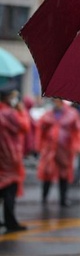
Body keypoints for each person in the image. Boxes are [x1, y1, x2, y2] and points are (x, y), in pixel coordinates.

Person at [36, 99, 80, 207]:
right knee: (47, 173)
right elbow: (41, 129)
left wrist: (77, 147)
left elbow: (78, 131)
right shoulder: (48, 114)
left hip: (65, 150)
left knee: (64, 175)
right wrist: (40, 145)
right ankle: (44, 197)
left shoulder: (72, 114)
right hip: (49, 149)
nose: (55, 102)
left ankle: (63, 199)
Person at [0, 85, 31, 234]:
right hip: (9, 158)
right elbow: (24, 127)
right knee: (9, 191)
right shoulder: (9, 114)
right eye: (13, 96)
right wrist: (22, 111)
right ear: (7, 98)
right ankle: (10, 223)